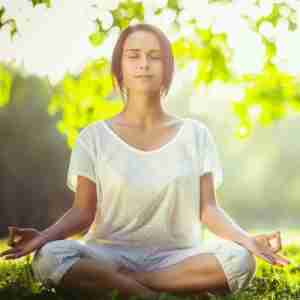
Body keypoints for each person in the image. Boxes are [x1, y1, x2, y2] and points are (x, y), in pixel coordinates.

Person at [0, 23, 291, 300]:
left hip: (178, 256)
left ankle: (128, 285)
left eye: (154, 57)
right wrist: (43, 238)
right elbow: (82, 212)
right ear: (120, 68)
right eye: (133, 56)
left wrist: (248, 240)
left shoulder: (195, 134)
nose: (144, 64)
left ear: (167, 69)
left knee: (240, 260)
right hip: (107, 254)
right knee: (49, 258)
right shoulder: (93, 137)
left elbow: (209, 209)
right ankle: (155, 294)